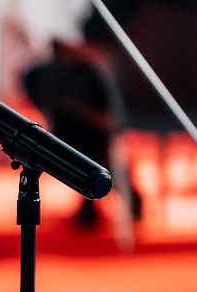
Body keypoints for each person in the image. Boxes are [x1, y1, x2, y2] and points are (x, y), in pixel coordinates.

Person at [23, 38, 143, 227]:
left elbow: (111, 121)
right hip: (69, 134)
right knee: (99, 159)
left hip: (95, 137)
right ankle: (100, 198)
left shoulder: (93, 73)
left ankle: (105, 198)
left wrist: (84, 113)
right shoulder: (46, 74)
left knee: (101, 157)